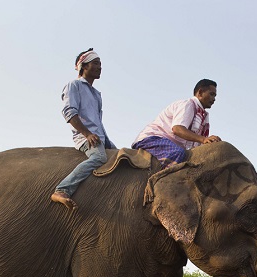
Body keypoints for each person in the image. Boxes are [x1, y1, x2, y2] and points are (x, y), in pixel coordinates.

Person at [51, 48, 116, 210]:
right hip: (86, 137)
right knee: (99, 158)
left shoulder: (96, 94)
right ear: (84, 66)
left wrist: (108, 142)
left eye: (100, 64)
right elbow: (69, 112)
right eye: (95, 63)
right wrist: (86, 134)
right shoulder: (74, 85)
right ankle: (62, 189)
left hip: (100, 137)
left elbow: (98, 122)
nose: (100, 67)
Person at [132, 79, 221, 168]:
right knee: (177, 153)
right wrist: (203, 139)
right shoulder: (188, 105)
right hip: (153, 138)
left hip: (171, 144)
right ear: (200, 92)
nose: (214, 99)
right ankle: (163, 180)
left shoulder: (203, 117)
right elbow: (177, 129)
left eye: (215, 96)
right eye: (211, 94)